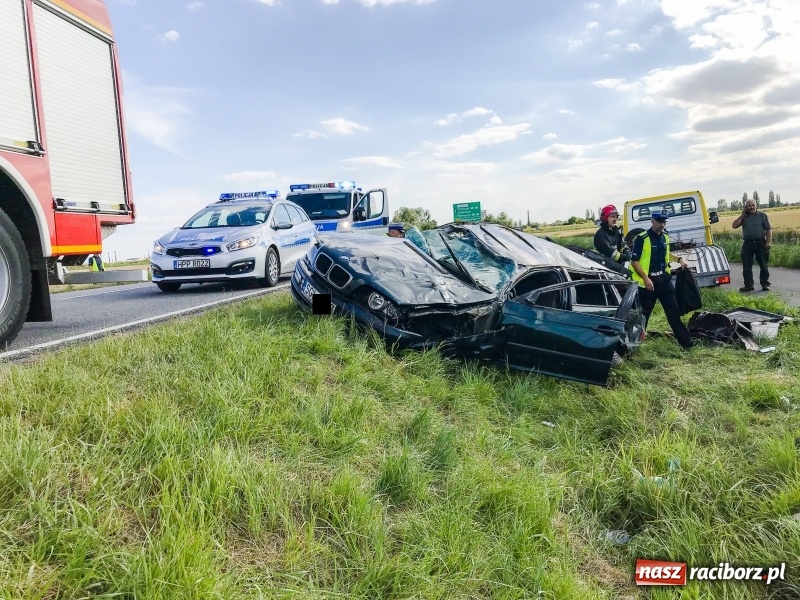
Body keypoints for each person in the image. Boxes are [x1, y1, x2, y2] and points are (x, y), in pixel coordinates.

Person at [630, 212, 694, 349]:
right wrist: (645, 278)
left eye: (665, 222)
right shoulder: (642, 239)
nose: (662, 225)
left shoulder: (665, 236)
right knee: (644, 315)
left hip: (664, 280)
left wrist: (679, 259)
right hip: (648, 282)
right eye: (660, 222)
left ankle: (686, 343)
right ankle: (635, 344)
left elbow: (666, 253)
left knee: (674, 312)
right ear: (652, 221)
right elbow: (634, 261)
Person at [732, 199, 772, 292]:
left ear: (756, 206)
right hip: (748, 243)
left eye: (753, 205)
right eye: (749, 206)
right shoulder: (744, 217)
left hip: (760, 242)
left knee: (763, 265)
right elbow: (734, 225)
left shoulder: (762, 216)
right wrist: (742, 215)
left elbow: (768, 229)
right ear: (746, 207)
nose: (751, 207)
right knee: (746, 266)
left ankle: (765, 284)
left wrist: (768, 242)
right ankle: (748, 286)